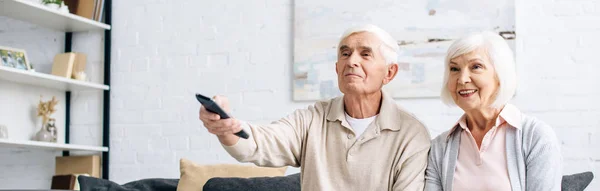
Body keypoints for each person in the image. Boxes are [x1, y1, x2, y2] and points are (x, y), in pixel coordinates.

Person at [199, 24, 431, 191]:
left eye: (365, 54)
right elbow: (260, 143)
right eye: (345, 53)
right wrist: (227, 127)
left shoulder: (412, 134)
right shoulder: (312, 119)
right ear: (337, 68)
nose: (352, 61)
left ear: (389, 73)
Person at [424, 31, 563, 191]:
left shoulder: (535, 137)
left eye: (476, 67)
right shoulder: (440, 147)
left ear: (500, 75)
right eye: (454, 69)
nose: (462, 79)